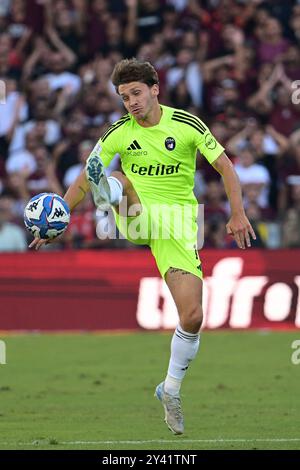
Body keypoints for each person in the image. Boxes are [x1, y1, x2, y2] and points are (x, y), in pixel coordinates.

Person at [30, 58, 256, 435]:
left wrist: (238, 213)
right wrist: (63, 215)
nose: (130, 102)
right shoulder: (119, 132)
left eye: (136, 93)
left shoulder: (187, 125)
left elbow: (226, 168)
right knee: (111, 175)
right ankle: (111, 193)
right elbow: (84, 179)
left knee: (193, 316)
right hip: (134, 217)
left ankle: (169, 390)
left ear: (155, 89)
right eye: (123, 97)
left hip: (179, 227)